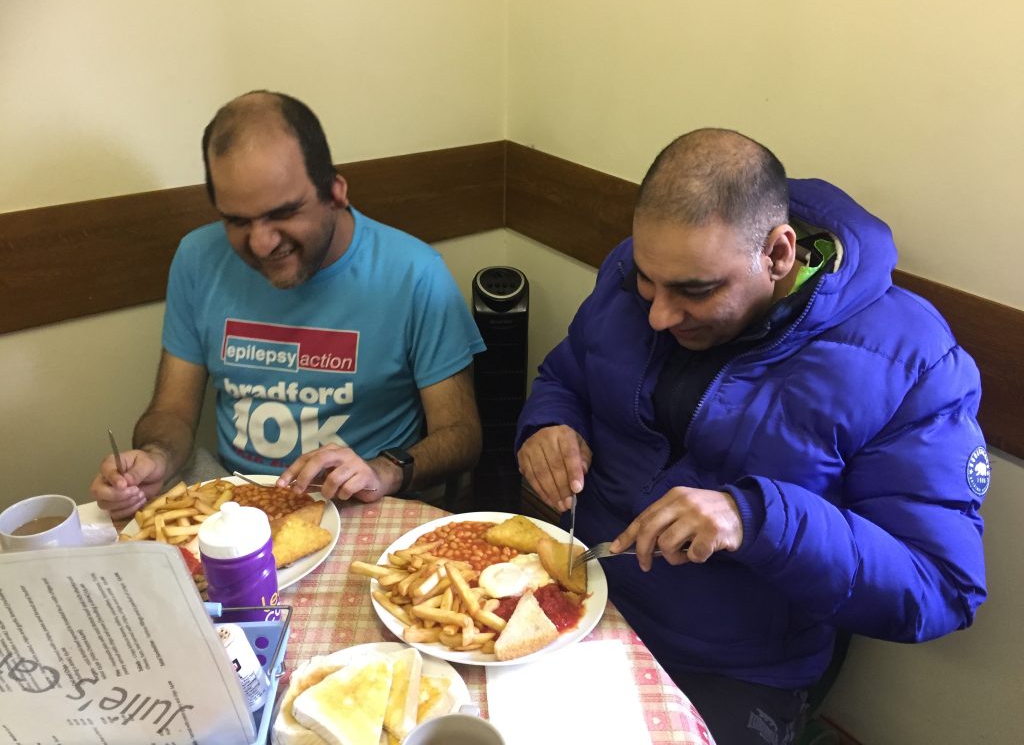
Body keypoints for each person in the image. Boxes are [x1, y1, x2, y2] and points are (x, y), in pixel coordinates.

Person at [516, 128, 988, 744]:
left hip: (731, 666)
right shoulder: (642, 271)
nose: (659, 314)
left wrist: (759, 519)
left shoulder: (912, 361)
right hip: (584, 598)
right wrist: (550, 423)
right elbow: (565, 376)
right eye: (648, 283)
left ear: (778, 254)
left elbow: (940, 588)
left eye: (695, 291)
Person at [91, 91, 485, 519]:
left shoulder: (415, 272)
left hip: (359, 509)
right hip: (235, 513)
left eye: (284, 213)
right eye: (237, 221)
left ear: (336, 192)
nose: (261, 243)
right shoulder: (196, 258)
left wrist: (384, 471)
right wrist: (157, 457)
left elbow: (461, 434)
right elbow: (171, 411)